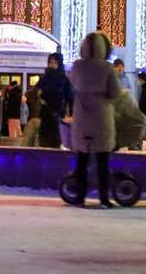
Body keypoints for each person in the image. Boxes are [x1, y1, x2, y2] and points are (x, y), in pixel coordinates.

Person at [67, 31, 122, 208]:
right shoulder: (107, 68)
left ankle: (80, 196)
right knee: (102, 160)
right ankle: (104, 198)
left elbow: (73, 85)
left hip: (82, 115)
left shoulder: (77, 66)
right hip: (101, 116)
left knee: (82, 159)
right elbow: (115, 93)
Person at [37, 53, 72, 149]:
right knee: (44, 143)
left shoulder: (64, 80)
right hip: (46, 114)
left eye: (55, 63)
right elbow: (36, 92)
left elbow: (69, 96)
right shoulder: (44, 79)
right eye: (51, 62)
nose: (52, 65)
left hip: (58, 115)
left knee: (56, 143)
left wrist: (70, 114)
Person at [22, 82, 42, 146]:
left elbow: (26, 110)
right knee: (37, 140)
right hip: (38, 120)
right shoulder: (40, 99)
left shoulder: (28, 97)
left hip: (30, 120)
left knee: (27, 140)